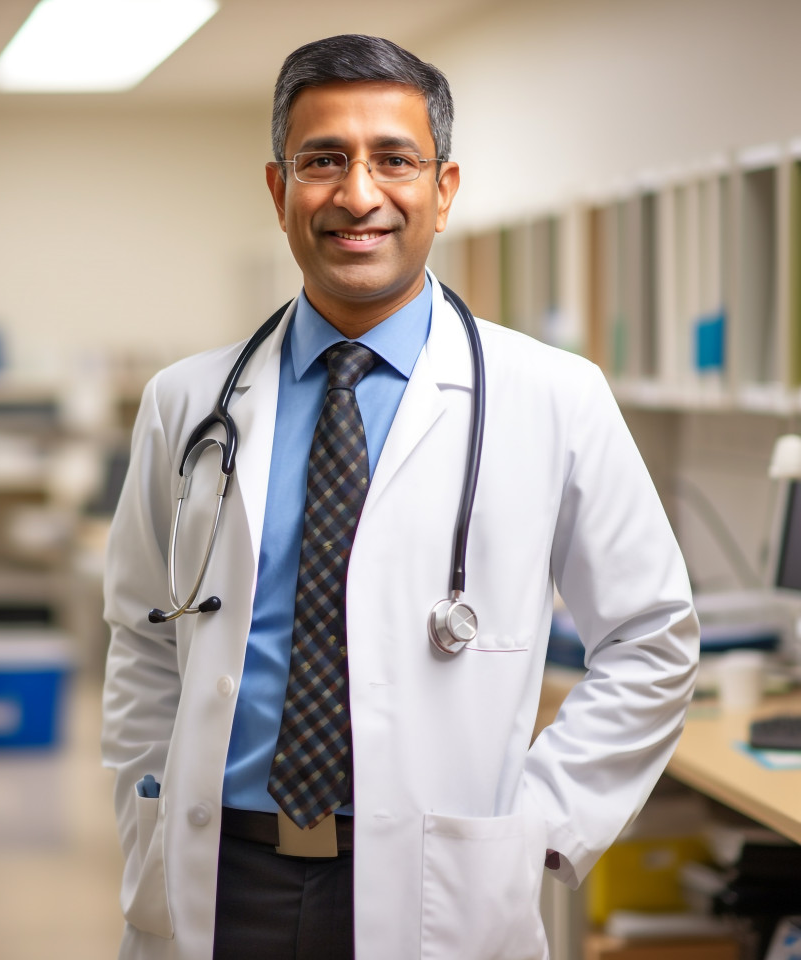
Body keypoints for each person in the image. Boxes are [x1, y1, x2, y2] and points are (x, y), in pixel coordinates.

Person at [102, 33, 699, 960]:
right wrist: (145, 798)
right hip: (223, 876)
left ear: (445, 189)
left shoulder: (554, 395)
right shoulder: (186, 402)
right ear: (278, 190)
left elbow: (653, 637)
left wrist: (541, 824)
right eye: (323, 160)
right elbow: (143, 637)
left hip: (444, 889)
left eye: (394, 159)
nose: (358, 194)